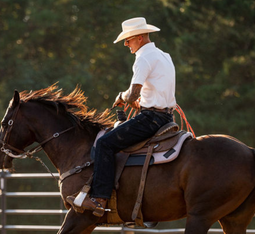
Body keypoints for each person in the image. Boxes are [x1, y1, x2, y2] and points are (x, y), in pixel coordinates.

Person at [67, 17, 177, 216]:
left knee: (104, 144)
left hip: (150, 119)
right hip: (167, 118)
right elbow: (153, 90)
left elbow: (133, 94)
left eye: (129, 40)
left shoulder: (143, 58)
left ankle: (99, 199)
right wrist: (139, 99)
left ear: (141, 37)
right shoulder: (164, 55)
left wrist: (121, 96)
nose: (126, 44)